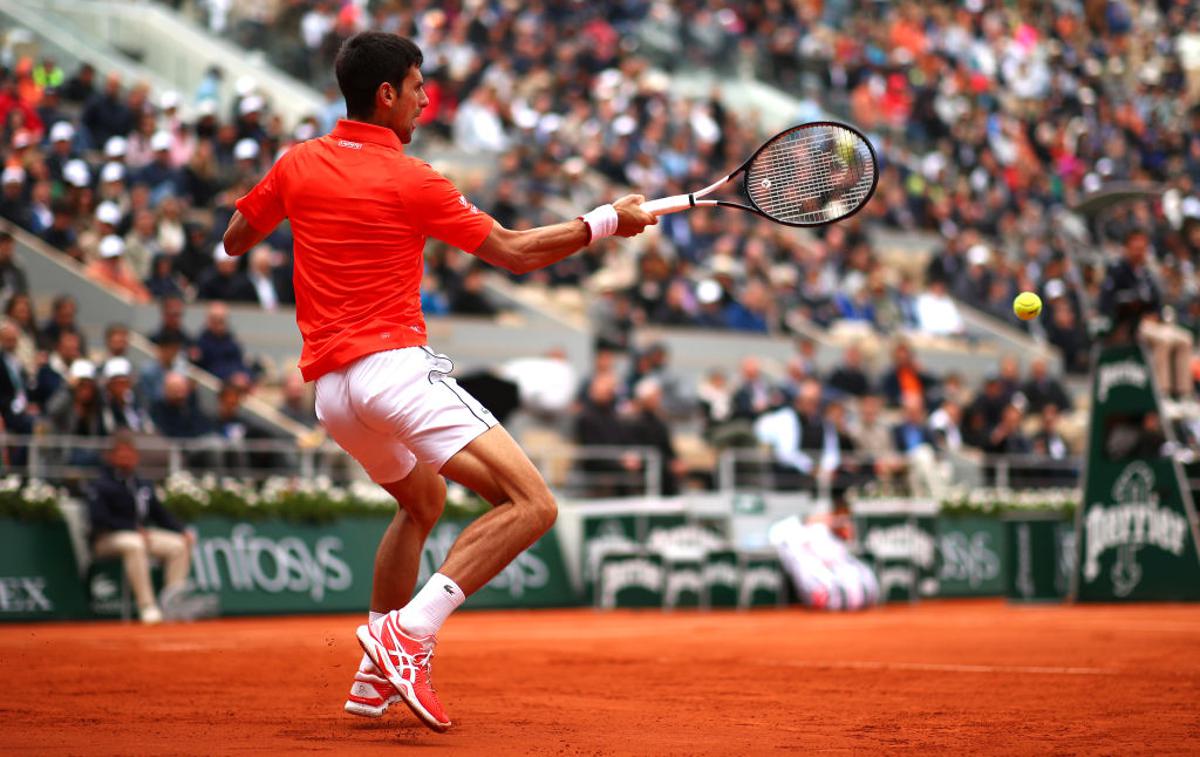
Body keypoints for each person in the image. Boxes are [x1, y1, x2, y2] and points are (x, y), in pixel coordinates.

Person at [221, 32, 655, 732]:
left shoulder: (299, 161)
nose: (427, 98)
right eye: (419, 86)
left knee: (422, 501)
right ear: (386, 95)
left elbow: (236, 237)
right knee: (532, 504)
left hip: (332, 395)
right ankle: (407, 632)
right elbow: (513, 252)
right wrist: (605, 220)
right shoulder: (414, 178)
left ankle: (371, 675)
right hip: (393, 370)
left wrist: (307, 212)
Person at [86, 431, 194, 624]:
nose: (126, 458)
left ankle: (172, 604)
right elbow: (99, 519)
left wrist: (182, 530)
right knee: (135, 544)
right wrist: (131, 529)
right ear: (111, 456)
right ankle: (147, 606)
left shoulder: (142, 483)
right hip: (106, 540)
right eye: (121, 454)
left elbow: (160, 514)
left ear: (136, 456)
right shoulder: (100, 484)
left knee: (179, 545)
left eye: (130, 453)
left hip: (139, 535)